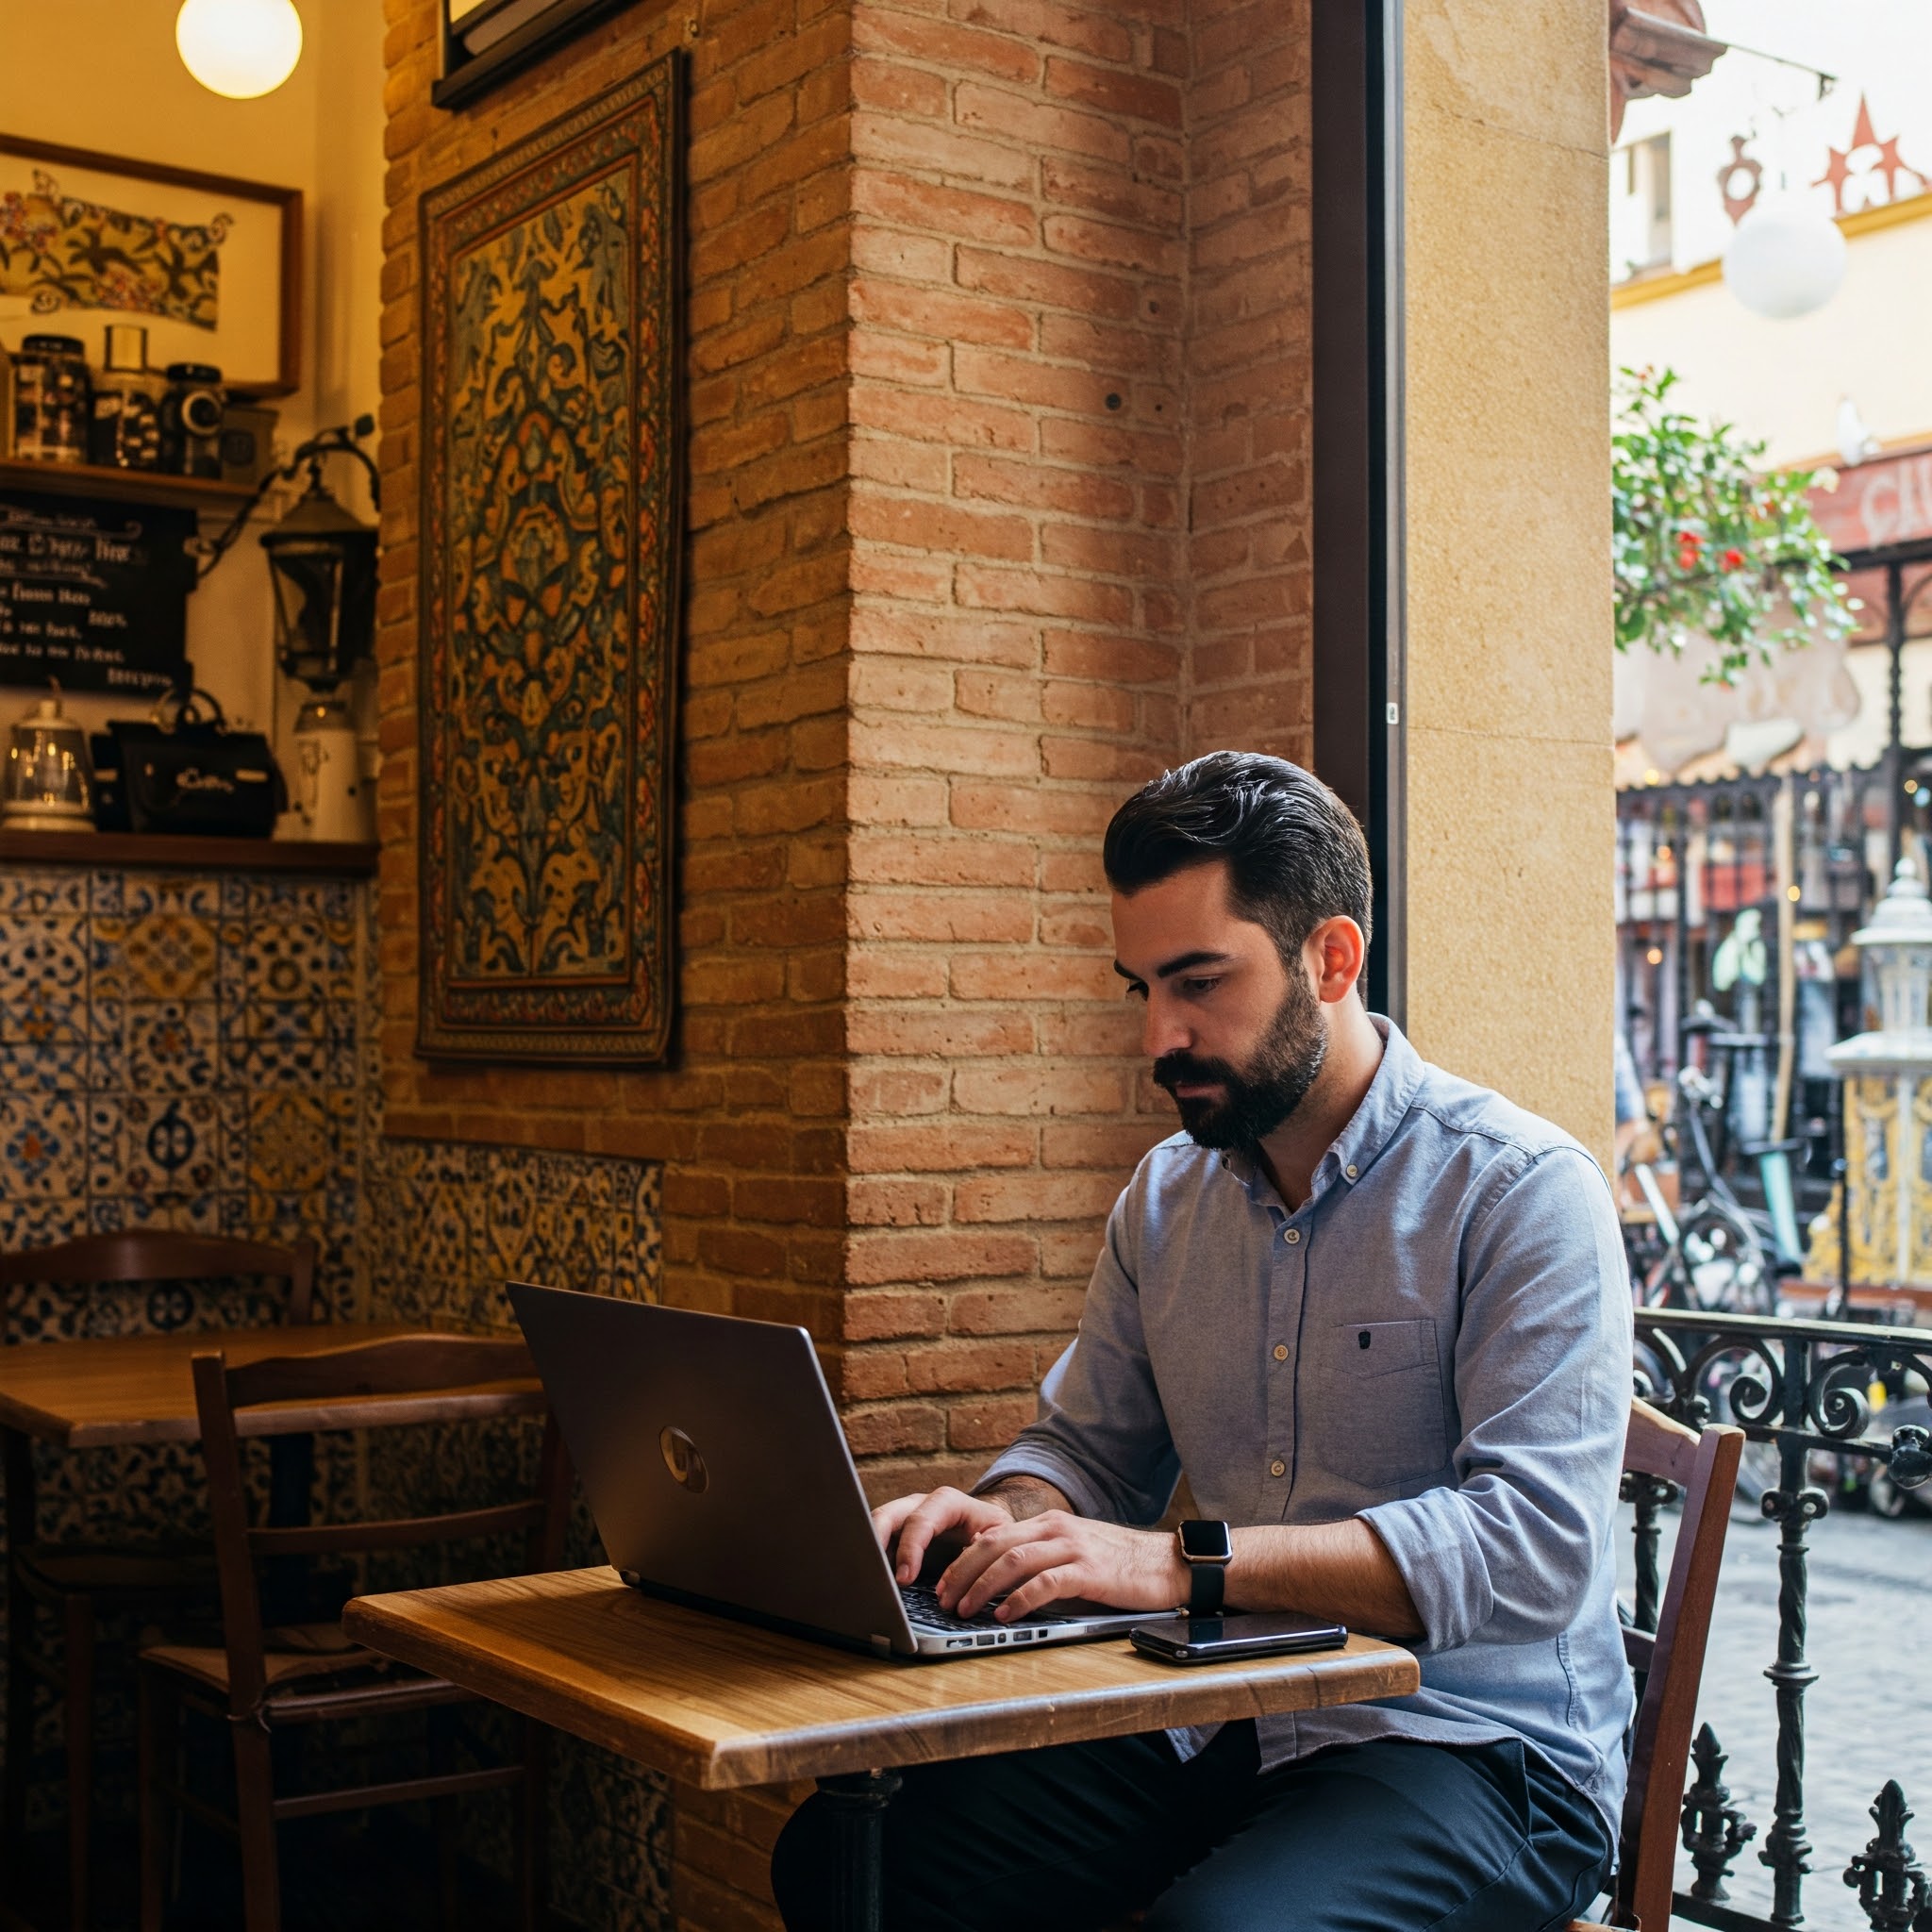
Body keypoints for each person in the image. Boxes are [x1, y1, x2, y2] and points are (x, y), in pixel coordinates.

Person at [772, 752, 1634, 1932]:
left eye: (1197, 982)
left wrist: (1181, 1567)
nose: (1157, 1036)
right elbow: (1083, 1446)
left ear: (1330, 958)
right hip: (1220, 1709)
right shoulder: (1166, 1198)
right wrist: (1001, 1520)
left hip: (1476, 1748)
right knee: (845, 1856)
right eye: (1139, 987)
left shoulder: (1520, 1190)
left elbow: (1533, 1550)